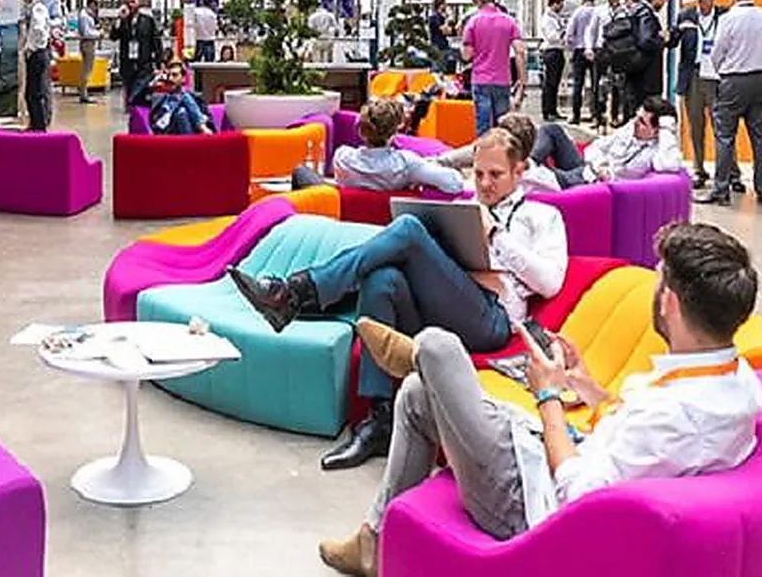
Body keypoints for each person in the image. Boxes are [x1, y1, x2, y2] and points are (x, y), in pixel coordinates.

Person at [316, 222, 762, 575]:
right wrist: (581, 383)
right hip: (559, 453)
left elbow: (578, 496)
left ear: (669, 303)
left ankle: (416, 357)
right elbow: (636, 428)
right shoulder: (732, 377)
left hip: (526, 505)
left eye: (658, 281)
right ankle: (374, 540)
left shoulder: (680, 415)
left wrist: (547, 394)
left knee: (438, 346)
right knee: (415, 395)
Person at [229, 129, 567, 471]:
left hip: (490, 320)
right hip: (447, 301)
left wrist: (495, 233)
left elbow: (550, 282)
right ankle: (380, 418)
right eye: (478, 174)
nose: (484, 183)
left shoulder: (541, 217)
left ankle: (297, 293)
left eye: (495, 175)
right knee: (382, 280)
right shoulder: (466, 209)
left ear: (520, 171)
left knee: (407, 230)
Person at [698, 0, 762, 206]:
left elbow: (717, 52)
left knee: (724, 136)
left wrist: (724, 72)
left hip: (733, 81)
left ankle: (721, 189)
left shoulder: (729, 19)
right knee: (758, 136)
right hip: (759, 80)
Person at [293, 98, 466, 195]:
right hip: (387, 220)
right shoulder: (406, 164)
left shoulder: (343, 157)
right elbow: (454, 184)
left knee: (300, 171)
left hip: (345, 218)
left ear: (361, 131)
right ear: (394, 132)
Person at [537, 98, 683, 189]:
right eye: (637, 117)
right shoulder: (629, 129)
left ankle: (525, 165)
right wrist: (601, 165)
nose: (635, 123)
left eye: (642, 122)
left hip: (590, 184)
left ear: (657, 131)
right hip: (588, 168)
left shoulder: (657, 151)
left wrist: (666, 129)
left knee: (540, 173)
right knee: (551, 130)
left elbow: (669, 164)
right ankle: (529, 161)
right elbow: (595, 146)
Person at [675, 0, 725, 189]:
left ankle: (728, 172)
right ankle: (698, 169)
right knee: (696, 125)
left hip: (716, 77)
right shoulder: (686, 15)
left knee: (721, 126)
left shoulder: (725, 16)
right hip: (693, 75)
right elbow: (674, 39)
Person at [461, 0, 525, 136]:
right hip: (503, 80)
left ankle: (483, 156)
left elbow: (466, 55)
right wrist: (521, 80)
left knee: (483, 127)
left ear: (478, 0)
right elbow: (520, 51)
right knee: (503, 126)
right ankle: (502, 156)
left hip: (481, 79)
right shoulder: (509, 21)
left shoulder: (473, 22)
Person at [623, 0, 670, 121]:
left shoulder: (635, 11)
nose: (666, 1)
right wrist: (663, 39)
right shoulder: (646, 15)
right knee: (646, 121)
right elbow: (646, 41)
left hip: (635, 77)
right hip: (646, 82)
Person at [112, 0, 163, 107]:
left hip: (143, 59)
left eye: (134, 1)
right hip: (127, 59)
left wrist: (159, 61)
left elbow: (155, 40)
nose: (131, 4)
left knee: (141, 85)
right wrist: (119, 19)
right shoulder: (123, 20)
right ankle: (131, 105)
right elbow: (113, 37)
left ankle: (134, 103)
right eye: (129, 1)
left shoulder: (147, 20)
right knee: (129, 84)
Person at [147, 59, 215, 135]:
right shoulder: (161, 97)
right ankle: (202, 127)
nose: (171, 79)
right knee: (184, 99)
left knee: (182, 111)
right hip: (166, 130)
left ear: (183, 78)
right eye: (169, 75)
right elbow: (155, 122)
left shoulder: (194, 98)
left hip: (188, 128)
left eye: (175, 75)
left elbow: (207, 116)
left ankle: (189, 140)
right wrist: (156, 80)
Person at [19, 0, 52, 132]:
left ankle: (39, 126)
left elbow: (38, 31)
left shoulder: (38, 8)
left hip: (37, 54)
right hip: (35, 53)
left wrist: (30, 48)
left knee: (35, 93)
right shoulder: (31, 7)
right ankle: (35, 123)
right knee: (30, 92)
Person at [592, 0, 625, 130]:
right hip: (602, 49)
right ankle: (597, 116)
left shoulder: (624, 12)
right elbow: (591, 30)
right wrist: (589, 47)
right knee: (598, 83)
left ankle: (614, 115)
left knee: (617, 84)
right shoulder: (599, 11)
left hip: (618, 51)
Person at [564, 0, 600, 126]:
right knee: (595, 84)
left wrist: (571, 46)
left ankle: (576, 115)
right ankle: (595, 114)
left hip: (579, 51)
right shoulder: (598, 12)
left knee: (578, 84)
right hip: (594, 50)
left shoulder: (578, 12)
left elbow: (569, 33)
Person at [538, 0, 569, 121]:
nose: (562, 7)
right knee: (549, 83)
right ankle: (547, 111)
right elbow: (552, 37)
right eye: (560, 4)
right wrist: (563, 33)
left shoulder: (555, 17)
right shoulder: (547, 19)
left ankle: (553, 110)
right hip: (551, 52)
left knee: (555, 83)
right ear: (554, 4)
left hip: (558, 51)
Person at [77, 0, 102, 105]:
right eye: (96, 4)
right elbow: (86, 32)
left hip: (90, 42)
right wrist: (99, 34)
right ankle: (83, 93)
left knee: (88, 68)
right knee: (86, 69)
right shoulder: (84, 16)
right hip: (87, 43)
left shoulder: (88, 15)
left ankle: (84, 91)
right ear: (91, 4)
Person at [428, 0, 455, 73]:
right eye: (445, 4)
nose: (446, 6)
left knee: (445, 68)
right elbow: (443, 30)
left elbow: (449, 31)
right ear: (441, 5)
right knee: (437, 69)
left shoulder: (441, 17)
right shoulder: (434, 17)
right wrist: (448, 18)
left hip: (444, 45)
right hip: (437, 46)